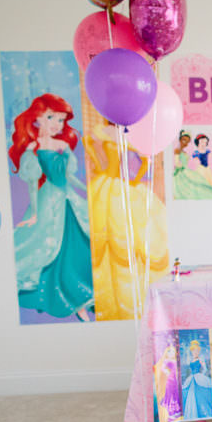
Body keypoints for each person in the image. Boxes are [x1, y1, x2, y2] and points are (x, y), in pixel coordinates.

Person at [9, 93, 94, 321]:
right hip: (48, 202)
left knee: (79, 245)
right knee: (53, 248)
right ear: (36, 118)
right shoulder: (33, 150)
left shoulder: (63, 145)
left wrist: (88, 193)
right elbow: (32, 186)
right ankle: (65, 298)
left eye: (61, 120)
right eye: (51, 118)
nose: (57, 124)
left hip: (68, 199)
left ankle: (82, 296)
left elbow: (69, 177)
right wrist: (35, 213)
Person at [83, 121, 170, 320]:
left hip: (124, 187)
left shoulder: (132, 135)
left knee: (135, 238)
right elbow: (88, 141)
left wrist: (136, 179)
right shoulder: (104, 131)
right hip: (108, 184)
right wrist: (99, 165)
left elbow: (146, 161)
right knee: (106, 237)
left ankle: (135, 297)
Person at [173, 130, 212, 200]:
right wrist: (181, 167)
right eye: (184, 140)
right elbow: (177, 163)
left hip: (188, 170)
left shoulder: (184, 151)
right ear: (180, 140)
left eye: (187, 142)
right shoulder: (177, 150)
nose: (185, 143)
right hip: (180, 173)